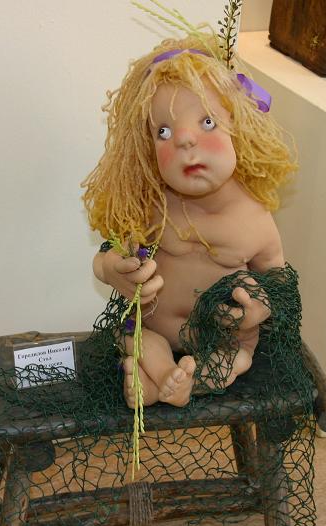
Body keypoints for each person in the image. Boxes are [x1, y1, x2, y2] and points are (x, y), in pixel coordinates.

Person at [82, 34, 296, 409]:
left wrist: (258, 308)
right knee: (131, 338)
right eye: (163, 132)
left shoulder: (254, 218)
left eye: (207, 122)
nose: (184, 140)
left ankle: (180, 383)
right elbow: (107, 255)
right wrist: (112, 270)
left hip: (220, 338)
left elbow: (279, 284)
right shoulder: (153, 204)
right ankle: (165, 377)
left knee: (235, 357)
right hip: (153, 328)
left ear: (238, 126)